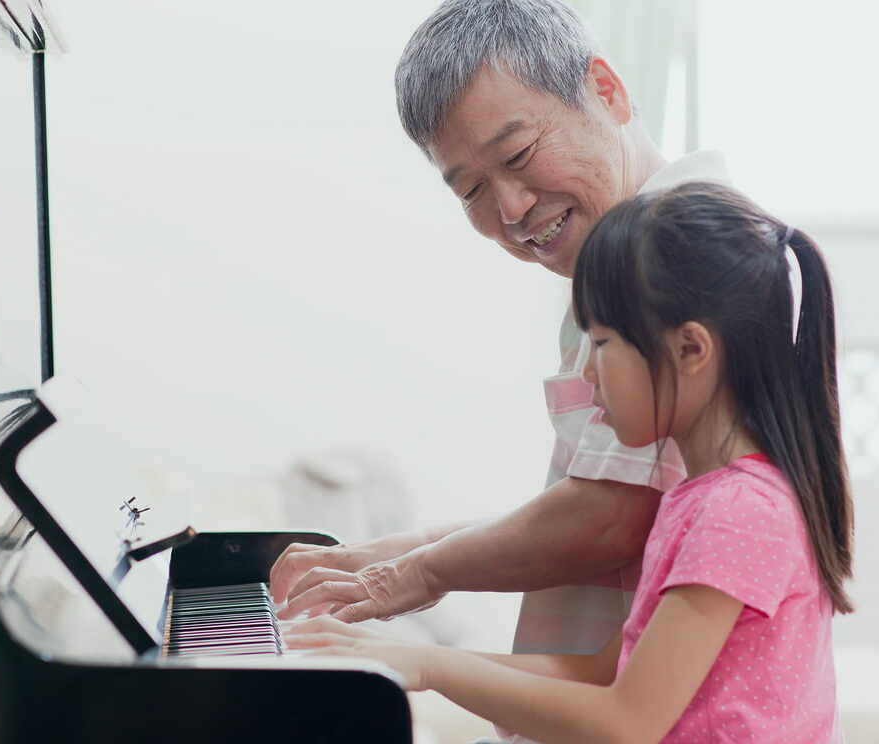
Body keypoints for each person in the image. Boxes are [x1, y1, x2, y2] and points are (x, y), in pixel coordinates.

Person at [288, 181, 854, 744]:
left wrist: (428, 666)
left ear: (689, 349)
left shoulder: (738, 512)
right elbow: (598, 673)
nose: (587, 374)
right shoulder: (701, 499)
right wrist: (406, 660)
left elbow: (626, 722)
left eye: (602, 343)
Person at [271, 0, 728, 659]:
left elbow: (610, 520)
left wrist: (418, 573)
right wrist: (399, 553)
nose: (510, 209)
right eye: (471, 191)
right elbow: (597, 495)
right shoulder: (620, 261)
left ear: (608, 92)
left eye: (517, 154)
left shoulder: (677, 252)